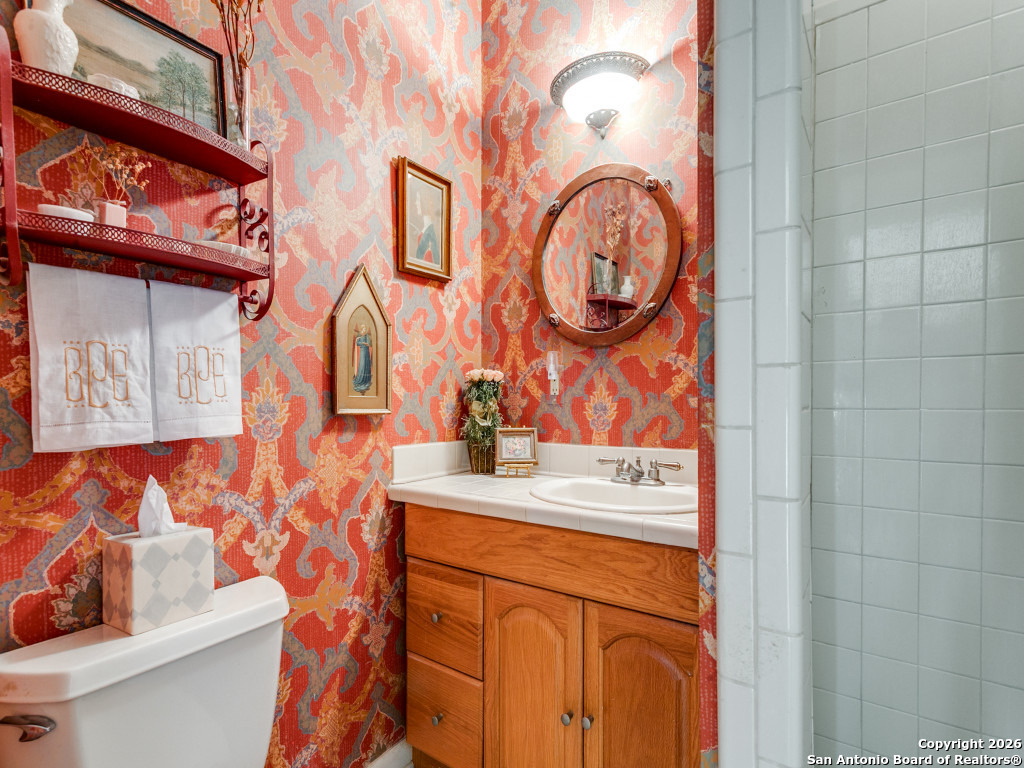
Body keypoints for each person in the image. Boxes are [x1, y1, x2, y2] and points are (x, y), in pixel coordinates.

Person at [352, 323, 373, 393]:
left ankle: (366, 380)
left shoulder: (366, 336)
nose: (364, 330)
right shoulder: (359, 336)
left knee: (365, 365)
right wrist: (360, 341)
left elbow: (368, 344)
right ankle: (360, 379)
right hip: (362, 352)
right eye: (363, 328)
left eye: (364, 328)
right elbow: (357, 343)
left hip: (366, 352)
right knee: (361, 365)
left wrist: (363, 343)